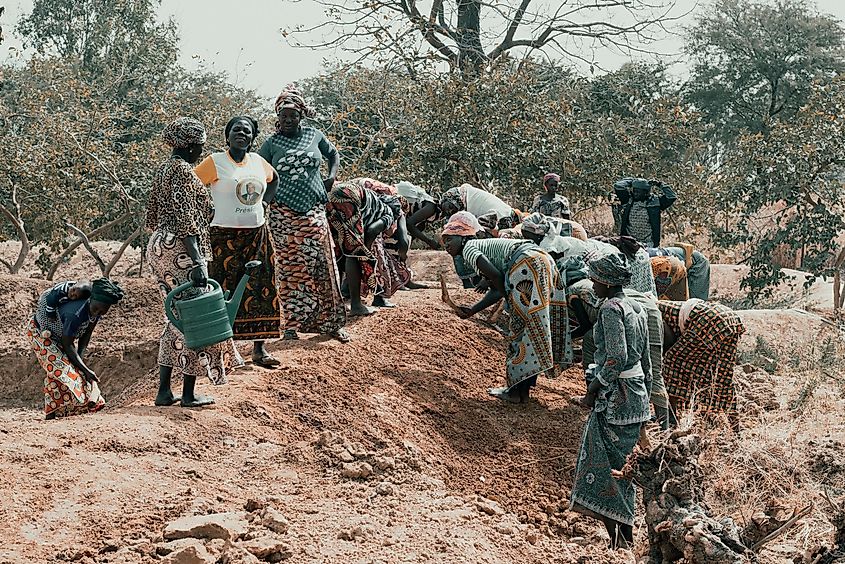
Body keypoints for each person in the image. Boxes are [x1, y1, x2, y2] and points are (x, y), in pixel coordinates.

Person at [145, 117, 243, 408]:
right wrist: (197, 258)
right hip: (183, 248)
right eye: (199, 146)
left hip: (161, 245)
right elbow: (186, 218)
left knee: (175, 317)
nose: (201, 151)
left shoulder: (163, 170)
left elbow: (152, 215)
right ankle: (188, 393)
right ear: (190, 146)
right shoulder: (185, 172)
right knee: (197, 316)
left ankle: (164, 391)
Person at [441, 212, 572, 403]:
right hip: (541, 260)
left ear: (463, 238)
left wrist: (509, 300)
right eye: (444, 241)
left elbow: (495, 277)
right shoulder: (484, 246)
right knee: (532, 326)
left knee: (518, 330)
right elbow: (497, 285)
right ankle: (523, 391)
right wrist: (473, 310)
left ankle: (513, 392)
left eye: (450, 240)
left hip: (526, 263)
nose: (447, 246)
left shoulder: (469, 248)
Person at [570, 252, 651, 549]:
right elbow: (646, 359)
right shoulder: (637, 307)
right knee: (622, 471)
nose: (591, 283)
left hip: (616, 400)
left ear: (605, 281)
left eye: (594, 278)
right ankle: (621, 541)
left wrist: (592, 389)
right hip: (636, 396)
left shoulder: (610, 309)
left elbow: (616, 357)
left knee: (609, 471)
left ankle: (621, 542)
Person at [257, 85, 349, 343]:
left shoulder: (314, 135)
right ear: (278, 117)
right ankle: (290, 326)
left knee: (324, 264)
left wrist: (331, 177)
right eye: (283, 116)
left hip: (314, 209)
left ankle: (331, 324)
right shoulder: (271, 144)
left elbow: (333, 154)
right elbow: (257, 170)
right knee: (288, 269)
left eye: (293, 115)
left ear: (301, 116)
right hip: (283, 214)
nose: (288, 120)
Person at [194, 116, 282, 368]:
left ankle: (259, 349)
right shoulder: (215, 162)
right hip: (223, 237)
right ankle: (222, 354)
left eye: (247, 131)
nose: (241, 133)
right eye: (236, 130)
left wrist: (265, 203)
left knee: (261, 287)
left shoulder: (258, 162)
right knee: (223, 289)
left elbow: (274, 179)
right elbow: (192, 186)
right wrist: (204, 210)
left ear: (253, 138)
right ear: (228, 135)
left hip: (257, 235)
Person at [567, 278, 672, 429]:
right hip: (648, 308)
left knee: (594, 348)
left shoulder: (572, 294)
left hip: (627, 310)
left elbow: (585, 326)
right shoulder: (596, 283)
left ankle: (592, 396)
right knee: (653, 368)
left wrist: (568, 338)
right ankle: (665, 426)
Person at [27, 278, 124, 419]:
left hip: (62, 337)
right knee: (61, 371)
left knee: (73, 371)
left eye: (102, 312)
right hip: (41, 334)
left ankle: (63, 412)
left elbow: (85, 337)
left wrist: (81, 362)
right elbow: (68, 344)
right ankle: (52, 413)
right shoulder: (76, 314)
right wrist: (85, 369)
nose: (97, 313)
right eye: (96, 309)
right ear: (91, 299)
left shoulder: (94, 312)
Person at [658, 299, 745, 428]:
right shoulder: (657, 304)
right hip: (729, 317)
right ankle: (735, 426)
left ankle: (671, 420)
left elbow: (668, 344)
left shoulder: (653, 311)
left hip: (710, 320)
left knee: (671, 362)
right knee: (722, 374)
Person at [327, 180, 406, 315]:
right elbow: (371, 231)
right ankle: (356, 306)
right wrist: (364, 253)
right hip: (348, 195)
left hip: (331, 195)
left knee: (339, 252)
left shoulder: (373, 204)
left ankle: (335, 304)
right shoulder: (388, 212)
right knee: (355, 254)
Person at [613, 177, 677, 248]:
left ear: (646, 193)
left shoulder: (656, 202)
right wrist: (633, 181)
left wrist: (659, 184)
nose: (635, 194)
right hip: (629, 241)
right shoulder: (629, 200)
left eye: (638, 192)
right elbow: (618, 186)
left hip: (648, 244)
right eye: (634, 191)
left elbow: (672, 196)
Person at [439, 183, 520, 230]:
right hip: (505, 216)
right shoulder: (461, 194)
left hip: (501, 219)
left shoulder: (502, 217)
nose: (449, 211)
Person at [398, 180, 443, 250]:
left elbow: (412, 230)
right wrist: (429, 241)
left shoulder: (423, 224)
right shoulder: (431, 207)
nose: (450, 211)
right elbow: (409, 224)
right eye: (450, 207)